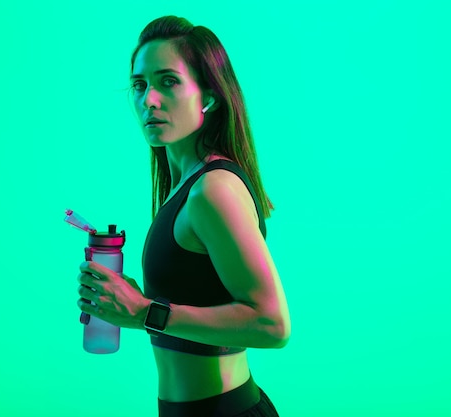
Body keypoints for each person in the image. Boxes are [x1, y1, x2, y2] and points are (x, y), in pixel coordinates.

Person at [77, 15, 291, 417]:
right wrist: (134, 300)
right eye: (140, 85)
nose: (149, 100)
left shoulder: (213, 190)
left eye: (168, 81)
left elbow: (272, 324)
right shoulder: (184, 185)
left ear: (208, 95)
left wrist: (145, 313)